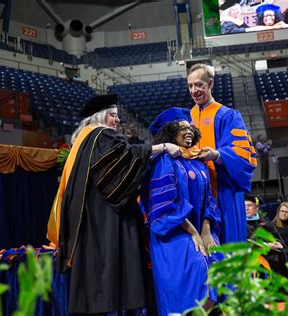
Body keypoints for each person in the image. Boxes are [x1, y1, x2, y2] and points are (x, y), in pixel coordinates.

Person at [46, 94, 182, 314]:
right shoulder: (102, 135)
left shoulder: (83, 140)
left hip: (88, 219)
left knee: (91, 283)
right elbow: (124, 161)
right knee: (105, 280)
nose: (118, 121)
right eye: (114, 116)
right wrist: (161, 147)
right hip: (104, 220)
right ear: (101, 116)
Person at [142, 107, 222, 316]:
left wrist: (205, 230)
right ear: (169, 132)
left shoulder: (198, 162)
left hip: (200, 228)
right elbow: (162, 206)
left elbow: (210, 201)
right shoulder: (163, 161)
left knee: (219, 265)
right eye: (181, 127)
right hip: (173, 231)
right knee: (196, 273)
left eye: (189, 127)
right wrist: (194, 232)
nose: (188, 131)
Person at [188, 63, 257, 244]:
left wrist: (217, 155)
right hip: (200, 192)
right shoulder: (191, 116)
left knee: (229, 243)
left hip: (224, 189)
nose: (194, 90)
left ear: (210, 84)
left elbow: (242, 153)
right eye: (190, 86)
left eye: (199, 85)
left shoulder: (228, 115)